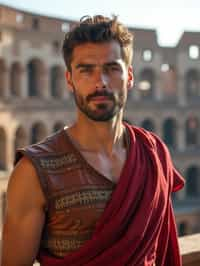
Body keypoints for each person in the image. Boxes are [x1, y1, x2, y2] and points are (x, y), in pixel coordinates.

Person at [1, 15, 184, 266]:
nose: (101, 82)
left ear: (129, 76)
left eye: (111, 69)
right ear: (69, 79)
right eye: (86, 70)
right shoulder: (33, 172)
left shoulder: (154, 152)